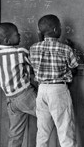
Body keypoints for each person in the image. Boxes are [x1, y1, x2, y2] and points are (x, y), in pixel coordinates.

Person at [29, 14, 78, 147]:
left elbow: (33, 67)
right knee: (65, 129)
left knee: (42, 131)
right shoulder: (65, 48)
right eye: (60, 27)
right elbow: (74, 68)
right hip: (58, 90)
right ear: (56, 30)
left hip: (42, 90)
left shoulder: (33, 48)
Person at [0, 22, 37, 147]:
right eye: (16, 34)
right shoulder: (20, 52)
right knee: (50, 115)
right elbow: (36, 65)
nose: (20, 35)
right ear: (7, 40)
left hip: (10, 99)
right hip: (25, 95)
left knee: (15, 134)